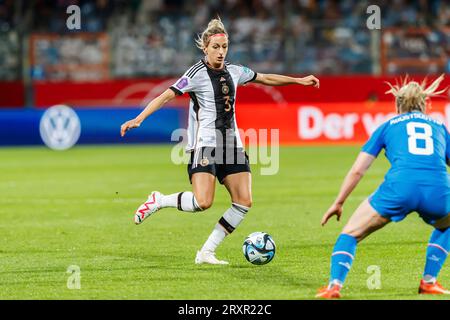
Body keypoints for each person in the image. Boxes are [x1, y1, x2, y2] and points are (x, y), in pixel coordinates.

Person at [120, 18, 319, 265]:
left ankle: (206, 252)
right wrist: (138, 118)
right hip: (205, 144)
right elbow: (165, 96)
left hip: (232, 145)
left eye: (224, 47)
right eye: (216, 47)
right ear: (205, 48)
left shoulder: (236, 72)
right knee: (203, 202)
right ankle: (159, 200)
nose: (221, 51)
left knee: (244, 201)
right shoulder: (195, 74)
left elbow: (265, 78)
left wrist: (298, 80)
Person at [317, 75, 449, 298]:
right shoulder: (439, 126)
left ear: (398, 105)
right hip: (438, 189)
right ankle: (428, 281)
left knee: (349, 235)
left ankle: (334, 287)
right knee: (447, 226)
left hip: (399, 188)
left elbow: (359, 169)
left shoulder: (387, 126)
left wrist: (338, 202)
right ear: (425, 104)